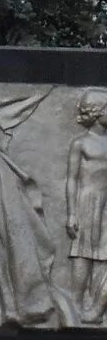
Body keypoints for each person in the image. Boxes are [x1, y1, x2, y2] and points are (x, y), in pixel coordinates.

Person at [65, 88, 107, 321]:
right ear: (97, 112)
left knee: (103, 255)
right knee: (84, 254)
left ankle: (96, 307)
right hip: (87, 202)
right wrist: (71, 213)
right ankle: (75, 303)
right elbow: (71, 180)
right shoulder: (80, 143)